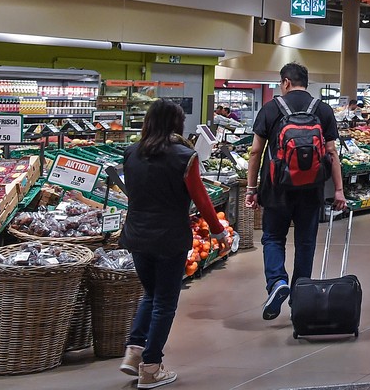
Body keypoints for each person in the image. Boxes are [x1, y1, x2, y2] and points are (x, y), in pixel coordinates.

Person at [119, 99, 230, 389]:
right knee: (165, 302)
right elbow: (202, 198)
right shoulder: (185, 156)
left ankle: (133, 351)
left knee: (151, 294)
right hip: (169, 237)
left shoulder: (130, 153)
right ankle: (151, 367)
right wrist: (218, 232)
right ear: (177, 124)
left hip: (136, 235)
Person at [244, 63, 346, 321]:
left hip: (276, 188)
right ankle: (301, 298)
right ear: (306, 82)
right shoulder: (322, 110)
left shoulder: (271, 108)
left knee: (273, 238)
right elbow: (332, 153)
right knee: (306, 243)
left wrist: (251, 188)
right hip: (312, 189)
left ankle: (277, 282)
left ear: (286, 82)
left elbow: (255, 151)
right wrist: (339, 191)